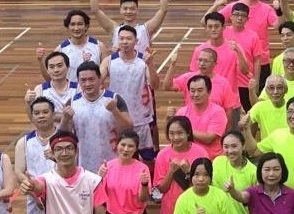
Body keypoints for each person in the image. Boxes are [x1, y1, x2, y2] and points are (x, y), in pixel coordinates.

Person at [61, 61, 133, 174]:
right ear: (78, 81)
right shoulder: (72, 102)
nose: (87, 84)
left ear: (100, 79)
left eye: (91, 79)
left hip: (113, 163)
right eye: (83, 80)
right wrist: (65, 119)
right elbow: (64, 135)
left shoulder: (114, 99)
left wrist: (115, 111)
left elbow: (129, 128)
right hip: (84, 166)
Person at [101, 25, 160, 161]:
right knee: (119, 157)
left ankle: (147, 182)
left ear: (136, 41)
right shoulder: (109, 61)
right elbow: (98, 80)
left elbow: (155, 85)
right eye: (121, 38)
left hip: (141, 119)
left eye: (128, 38)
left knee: (148, 159)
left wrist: (151, 65)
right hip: (118, 119)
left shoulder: (144, 61)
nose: (125, 42)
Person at [211, 0, 282, 90]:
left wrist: (278, 10)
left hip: (260, 61)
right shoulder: (234, 7)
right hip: (235, 62)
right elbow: (210, 21)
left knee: (259, 94)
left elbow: (279, 26)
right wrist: (216, 5)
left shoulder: (267, 9)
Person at [89, 0, 168, 55]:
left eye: (132, 8)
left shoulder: (146, 29)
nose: (128, 11)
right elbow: (95, 10)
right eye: (125, 8)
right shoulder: (114, 29)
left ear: (137, 10)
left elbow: (163, 10)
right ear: (120, 10)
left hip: (140, 67)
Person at [163, 48, 241, 122]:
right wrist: (172, 65)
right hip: (191, 125)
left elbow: (228, 111)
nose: (202, 64)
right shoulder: (188, 78)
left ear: (215, 63)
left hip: (214, 127)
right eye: (200, 60)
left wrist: (225, 132)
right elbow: (167, 86)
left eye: (206, 61)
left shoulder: (223, 83)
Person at [36, 9, 108, 83]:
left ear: (86, 26)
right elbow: (50, 79)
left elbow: (106, 74)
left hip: (92, 92)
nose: (76, 28)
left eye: (80, 24)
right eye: (72, 24)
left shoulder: (99, 46)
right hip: (70, 94)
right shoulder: (60, 50)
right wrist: (41, 61)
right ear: (68, 27)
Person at [171, 74, 229, 158]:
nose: (196, 94)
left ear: (209, 92)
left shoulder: (218, 112)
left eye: (200, 90)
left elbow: (209, 139)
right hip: (187, 160)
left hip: (211, 161)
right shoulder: (182, 112)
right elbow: (174, 137)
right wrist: (170, 119)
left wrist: (185, 129)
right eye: (192, 91)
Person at [190, 13, 250, 88]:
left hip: (230, 97)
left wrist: (238, 53)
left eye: (217, 26)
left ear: (224, 27)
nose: (213, 29)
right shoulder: (199, 50)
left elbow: (245, 71)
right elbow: (194, 75)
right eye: (210, 27)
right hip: (208, 97)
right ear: (206, 28)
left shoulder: (235, 48)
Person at [26, 51, 77, 119]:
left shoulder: (79, 88)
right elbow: (34, 119)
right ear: (47, 70)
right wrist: (28, 103)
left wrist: (52, 116)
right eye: (51, 67)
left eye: (59, 66)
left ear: (68, 67)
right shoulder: (40, 89)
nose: (56, 70)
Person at [246, 74, 290, 139]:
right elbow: (245, 123)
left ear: (286, 90)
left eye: (279, 88)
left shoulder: (292, 108)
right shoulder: (260, 107)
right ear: (266, 91)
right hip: (267, 148)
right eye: (271, 88)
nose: (275, 92)